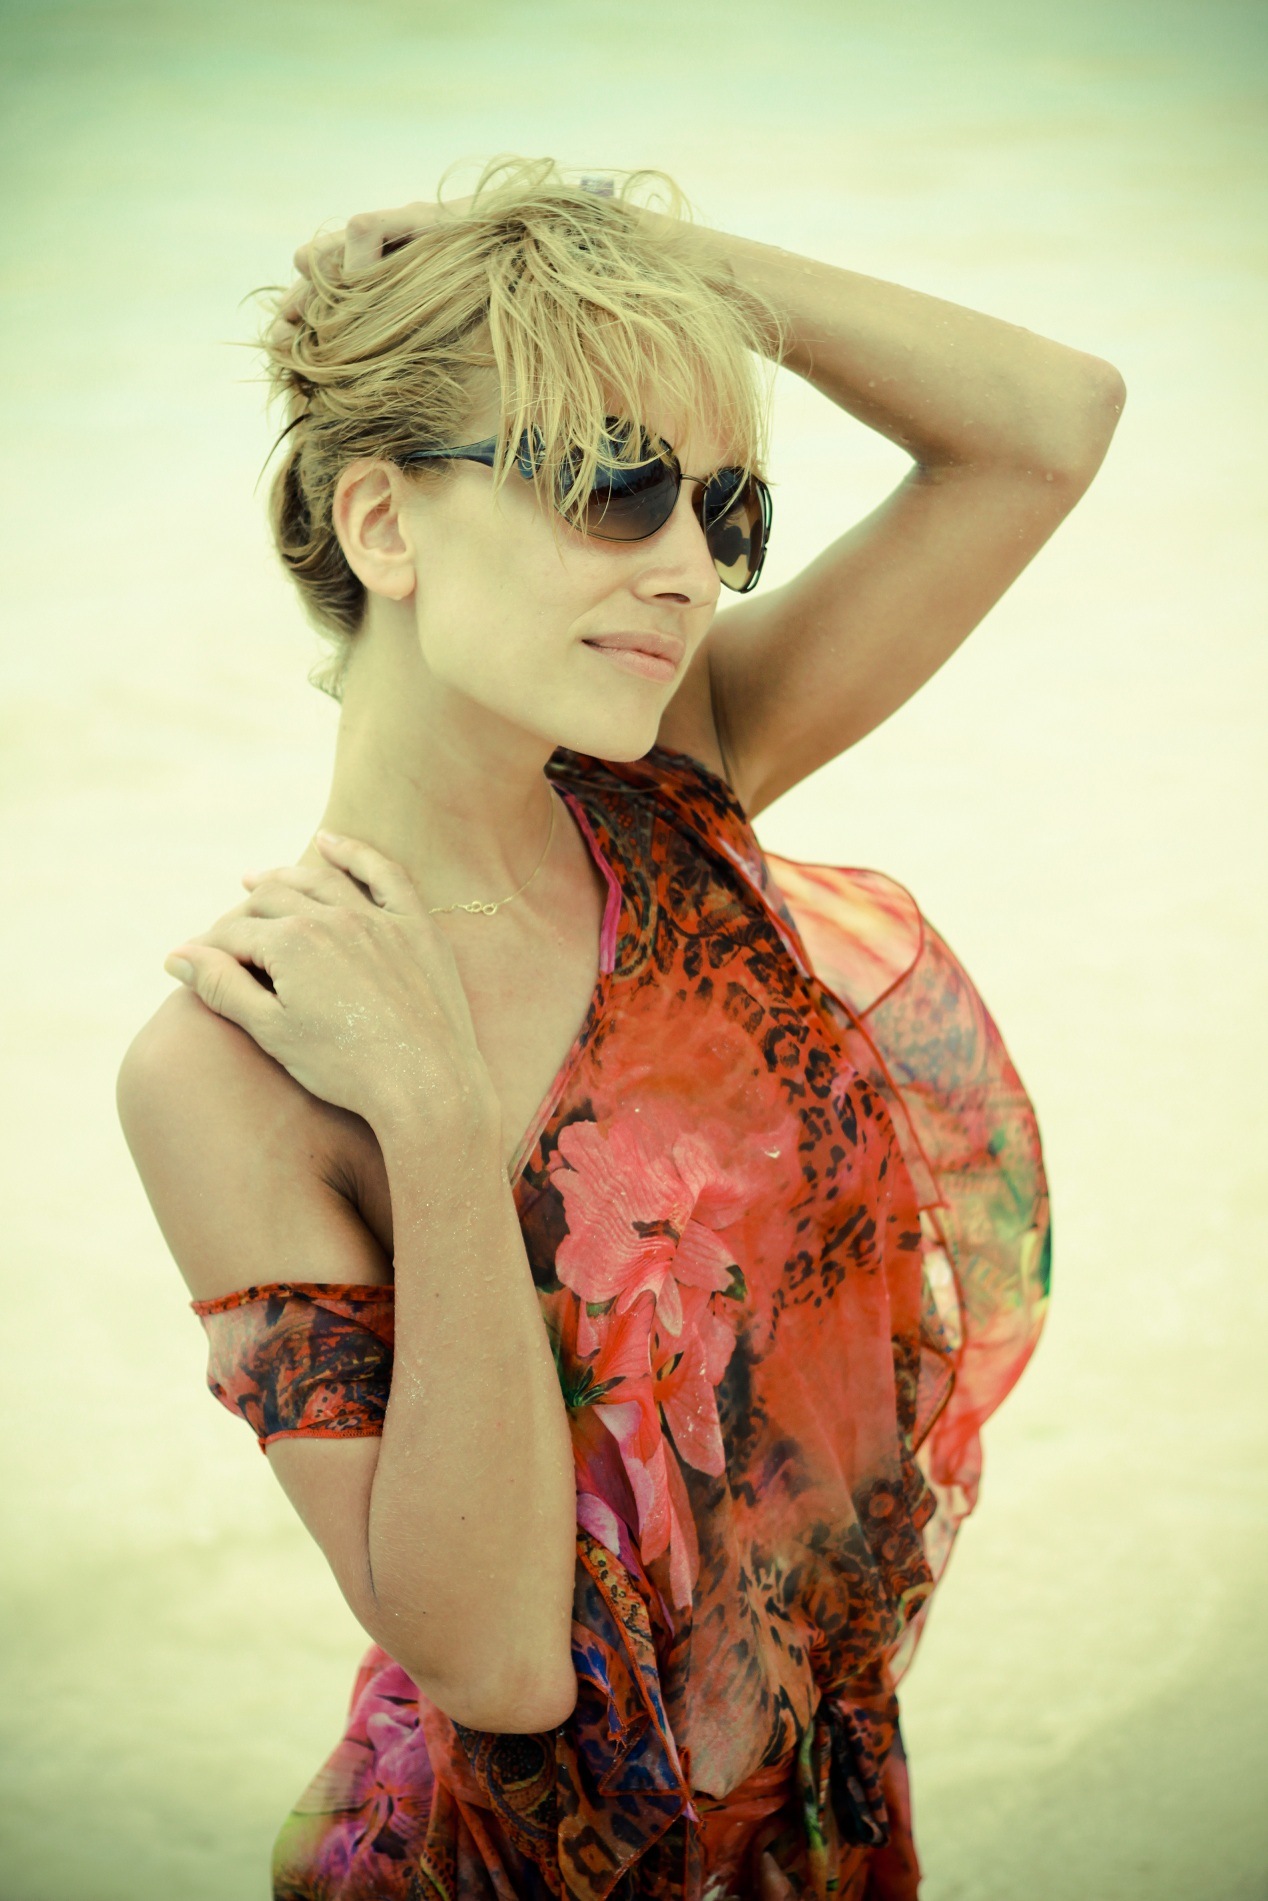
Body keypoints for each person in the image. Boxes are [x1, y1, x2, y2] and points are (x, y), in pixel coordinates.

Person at [116, 154, 1124, 1901]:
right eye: (609, 481)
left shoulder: (671, 792)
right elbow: (500, 1661)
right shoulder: (232, 1068)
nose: (687, 571)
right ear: (383, 524)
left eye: (723, 510)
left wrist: (632, 262)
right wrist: (438, 1128)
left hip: (807, 1811)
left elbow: (1050, 424)